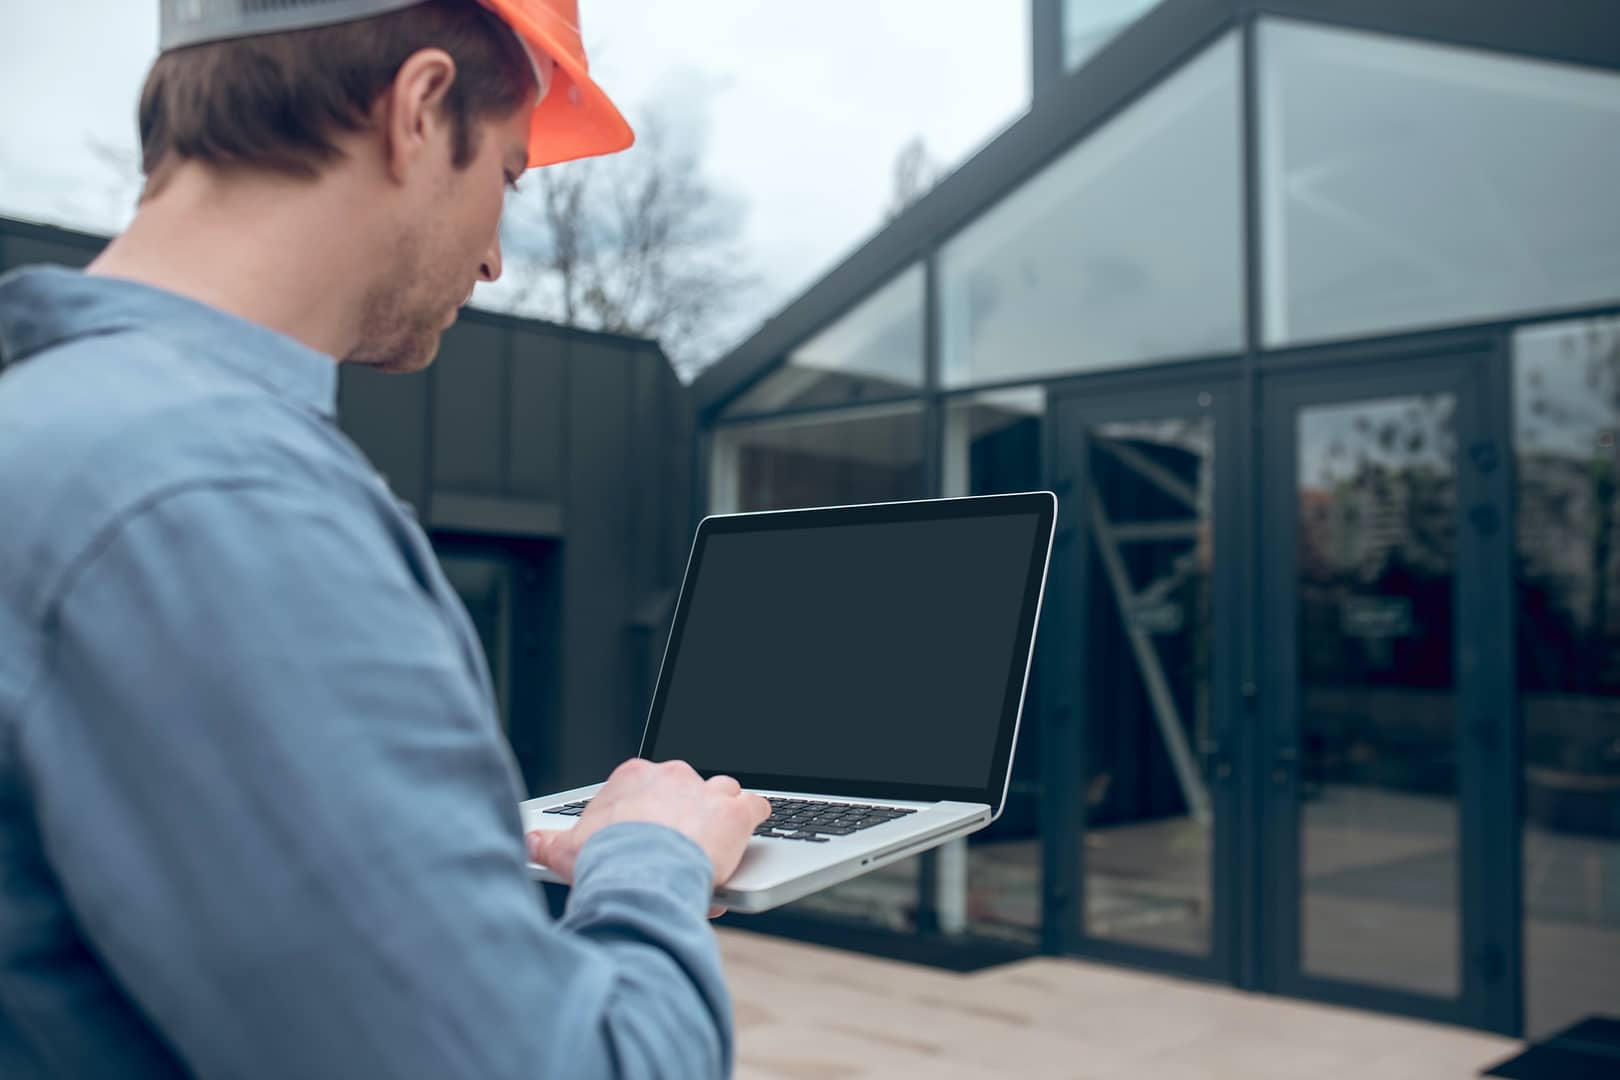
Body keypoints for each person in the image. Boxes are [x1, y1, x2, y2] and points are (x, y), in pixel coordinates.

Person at [0, 1, 770, 1076]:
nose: (497, 259)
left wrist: (423, 860)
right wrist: (653, 858)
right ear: (419, 109)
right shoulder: (221, 504)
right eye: (505, 179)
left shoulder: (53, 433)